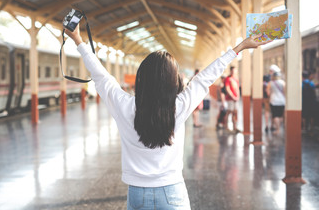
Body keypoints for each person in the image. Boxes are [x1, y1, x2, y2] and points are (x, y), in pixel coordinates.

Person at [65, 24, 270, 210]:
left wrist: (78, 40)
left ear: (141, 78)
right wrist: (240, 47)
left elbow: (101, 76)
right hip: (172, 191)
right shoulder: (178, 107)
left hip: (137, 193)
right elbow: (204, 79)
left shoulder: (124, 106)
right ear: (172, 82)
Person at [224, 66, 240, 133]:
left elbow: (237, 89)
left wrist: (238, 96)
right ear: (230, 71)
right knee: (229, 112)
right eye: (232, 71)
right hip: (230, 99)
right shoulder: (228, 79)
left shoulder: (235, 79)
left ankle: (235, 127)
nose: (234, 72)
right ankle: (226, 127)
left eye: (235, 70)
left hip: (236, 99)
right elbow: (227, 89)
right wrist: (233, 97)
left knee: (234, 112)